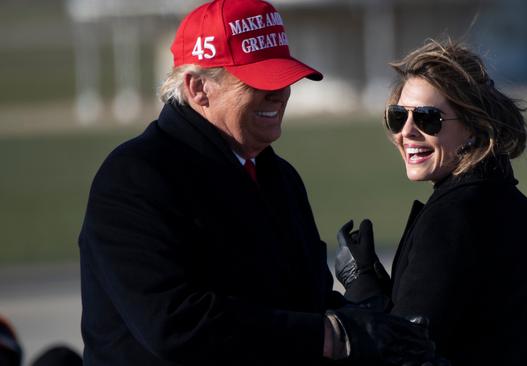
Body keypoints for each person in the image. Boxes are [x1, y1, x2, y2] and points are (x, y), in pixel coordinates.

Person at [78, 0, 438, 365]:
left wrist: (366, 316)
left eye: (284, 79)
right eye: (260, 81)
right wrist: (332, 336)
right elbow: (175, 324)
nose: (280, 93)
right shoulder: (135, 178)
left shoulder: (277, 176)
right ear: (199, 88)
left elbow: (298, 304)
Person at [336, 39, 527, 366]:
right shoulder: (520, 209)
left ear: (473, 126)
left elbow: (403, 355)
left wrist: (363, 290)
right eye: (397, 117)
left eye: (427, 119)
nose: (407, 132)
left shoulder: (451, 220)